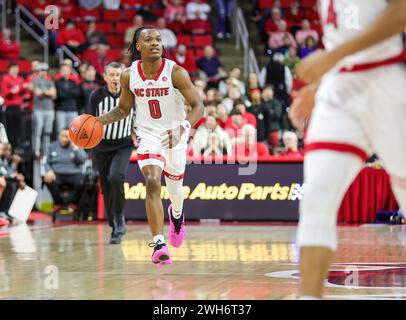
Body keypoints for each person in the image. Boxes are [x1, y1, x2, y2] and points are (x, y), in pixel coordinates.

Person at [288, 0, 406, 299]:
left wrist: (331, 59)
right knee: (316, 198)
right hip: (340, 89)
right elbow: (349, 31)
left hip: (391, 79)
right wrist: (323, 83)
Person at [97, 26, 204, 266]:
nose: (155, 43)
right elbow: (124, 109)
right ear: (138, 46)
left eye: (158, 39)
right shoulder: (128, 74)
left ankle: (176, 216)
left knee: (176, 191)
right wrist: (99, 121)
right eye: (149, 39)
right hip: (148, 135)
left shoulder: (176, 72)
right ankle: (158, 243)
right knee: (153, 181)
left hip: (175, 133)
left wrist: (182, 129)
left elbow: (199, 107)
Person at [86, 62, 135, 245]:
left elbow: (138, 117)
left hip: (123, 144)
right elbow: (88, 121)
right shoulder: (96, 96)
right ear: (105, 77)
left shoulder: (131, 93)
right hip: (101, 146)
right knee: (106, 187)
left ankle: (120, 217)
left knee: (116, 176)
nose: (115, 78)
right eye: (112, 75)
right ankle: (114, 227)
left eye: (118, 75)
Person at [42, 128, 87, 209]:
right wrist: (49, 170)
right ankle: (60, 203)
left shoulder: (76, 145)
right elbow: (45, 162)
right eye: (62, 136)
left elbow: (83, 160)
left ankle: (72, 202)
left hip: (74, 173)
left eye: (67, 136)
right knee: (47, 179)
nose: (64, 139)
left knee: (83, 181)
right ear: (58, 136)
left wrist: (76, 148)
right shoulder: (52, 146)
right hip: (56, 173)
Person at [31, 63, 56, 160]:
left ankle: (46, 151)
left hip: (49, 109)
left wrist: (44, 92)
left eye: (45, 70)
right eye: (41, 70)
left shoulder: (50, 81)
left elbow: (53, 94)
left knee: (47, 132)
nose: (43, 72)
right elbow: (37, 93)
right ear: (38, 71)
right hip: (38, 109)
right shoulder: (35, 81)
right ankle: (36, 151)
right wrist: (48, 92)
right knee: (38, 131)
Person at [55, 63, 82, 133]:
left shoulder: (74, 82)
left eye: (66, 70)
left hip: (72, 109)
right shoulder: (57, 82)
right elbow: (59, 94)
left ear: (70, 71)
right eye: (63, 70)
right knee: (60, 131)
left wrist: (64, 92)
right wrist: (70, 92)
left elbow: (77, 93)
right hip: (61, 110)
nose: (65, 72)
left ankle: (72, 144)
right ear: (60, 71)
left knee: (74, 131)